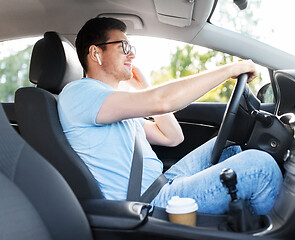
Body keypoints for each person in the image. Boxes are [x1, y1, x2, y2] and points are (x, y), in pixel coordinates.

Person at [58, 17, 282, 215]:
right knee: (260, 167)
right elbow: (162, 100)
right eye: (124, 46)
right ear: (96, 52)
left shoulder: (110, 101)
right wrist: (230, 70)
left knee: (231, 145)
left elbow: (173, 137)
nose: (132, 54)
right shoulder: (80, 94)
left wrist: (143, 85)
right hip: (147, 202)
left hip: (163, 181)